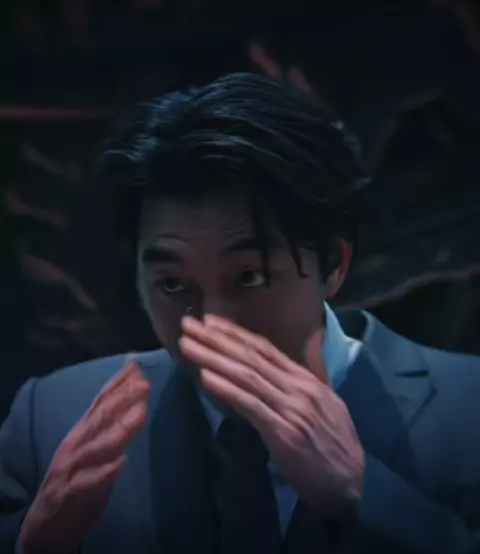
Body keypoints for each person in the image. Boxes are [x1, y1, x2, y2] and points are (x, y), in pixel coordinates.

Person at [1, 73, 480, 554]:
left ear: (333, 263)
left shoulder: (467, 411)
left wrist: (364, 493)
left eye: (250, 277)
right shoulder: (52, 419)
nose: (212, 324)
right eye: (172, 284)